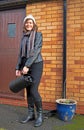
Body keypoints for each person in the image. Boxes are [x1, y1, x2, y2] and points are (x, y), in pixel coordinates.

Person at [15, 14, 43, 127]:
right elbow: (20, 54)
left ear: (34, 24)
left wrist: (27, 65)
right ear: (24, 24)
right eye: (27, 22)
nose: (28, 24)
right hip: (25, 66)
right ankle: (31, 114)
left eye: (30, 22)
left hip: (36, 65)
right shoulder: (24, 37)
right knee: (28, 90)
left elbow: (36, 51)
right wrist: (18, 67)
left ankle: (40, 115)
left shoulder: (38, 35)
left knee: (33, 90)